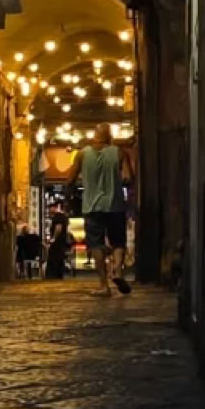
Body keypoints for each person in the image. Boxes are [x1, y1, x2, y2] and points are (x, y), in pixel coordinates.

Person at [80, 127, 130, 297]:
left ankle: (104, 286)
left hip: (92, 207)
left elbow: (71, 178)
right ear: (110, 137)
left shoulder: (82, 154)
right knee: (118, 241)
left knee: (96, 244)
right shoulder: (120, 153)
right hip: (115, 205)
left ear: (95, 136)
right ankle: (118, 271)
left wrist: (68, 194)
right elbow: (128, 177)